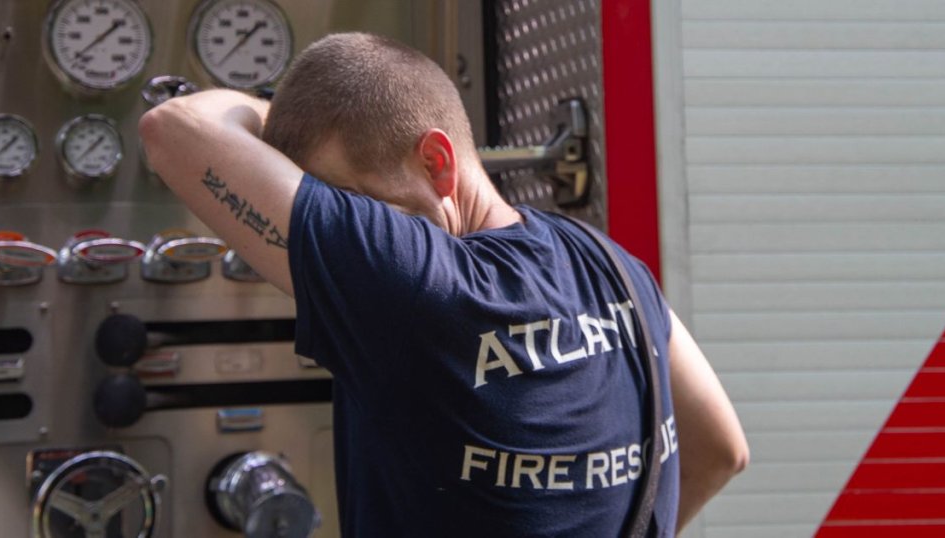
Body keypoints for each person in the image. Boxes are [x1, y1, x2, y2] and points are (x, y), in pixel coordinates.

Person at [140, 32, 747, 537]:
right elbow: (720, 450)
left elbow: (175, 125)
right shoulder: (611, 262)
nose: (350, 223)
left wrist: (275, 113)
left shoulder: (415, 282)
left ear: (437, 162)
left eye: (348, 201)